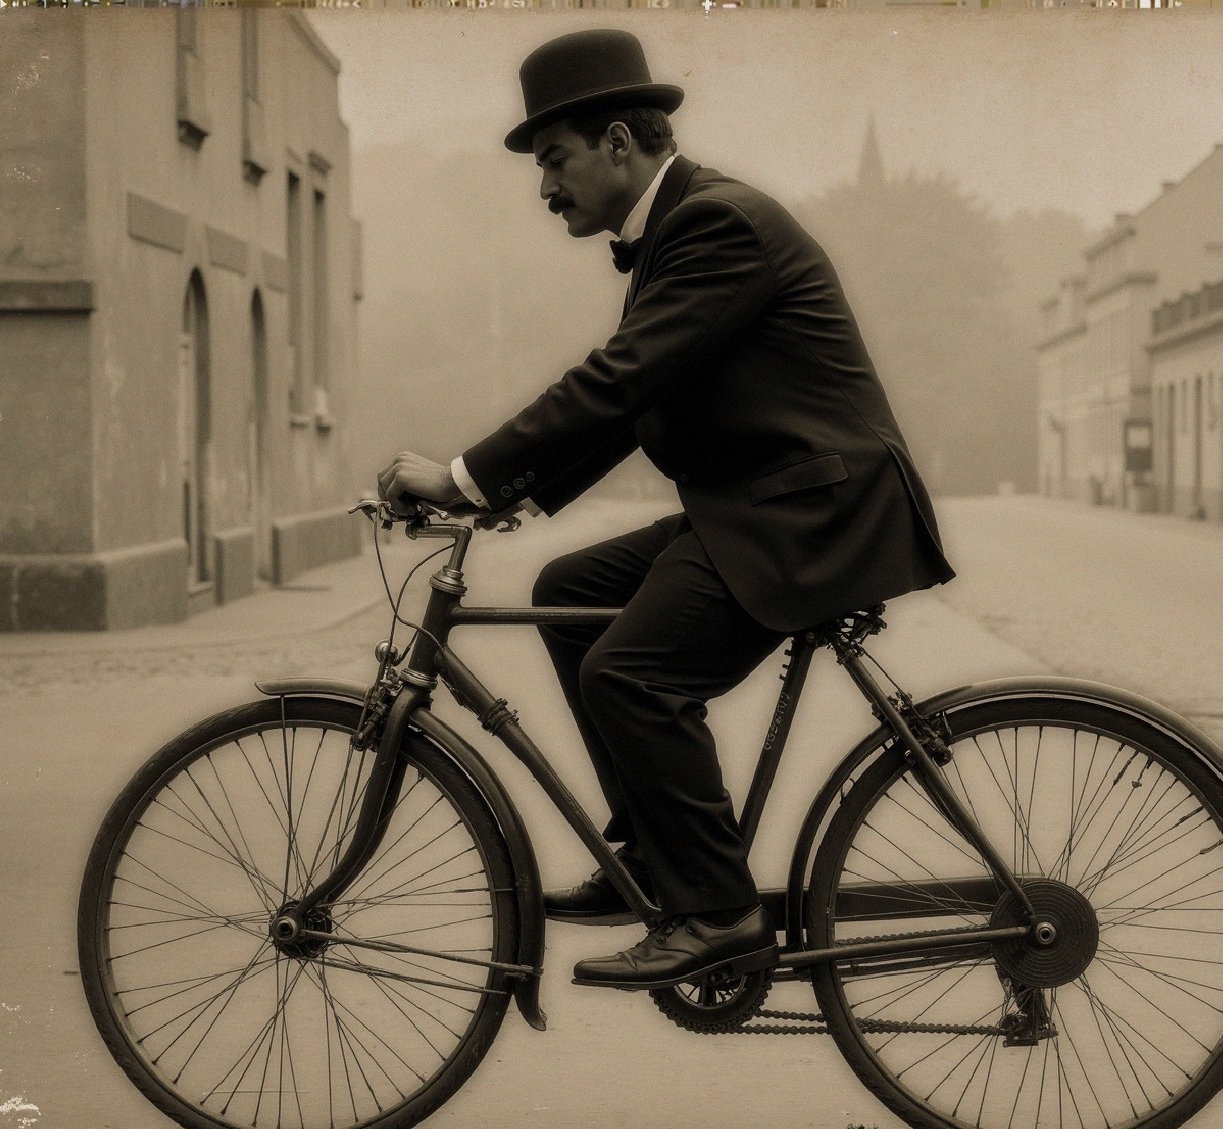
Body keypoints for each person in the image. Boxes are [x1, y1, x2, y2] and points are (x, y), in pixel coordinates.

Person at [378, 28, 954, 991]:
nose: (546, 186)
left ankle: (718, 908)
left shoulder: (715, 223)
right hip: (765, 504)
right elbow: (641, 400)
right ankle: (655, 854)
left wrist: (465, 474)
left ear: (616, 142)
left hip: (811, 510)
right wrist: (500, 497)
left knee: (630, 676)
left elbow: (620, 378)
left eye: (553, 159)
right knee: (573, 591)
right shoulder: (678, 228)